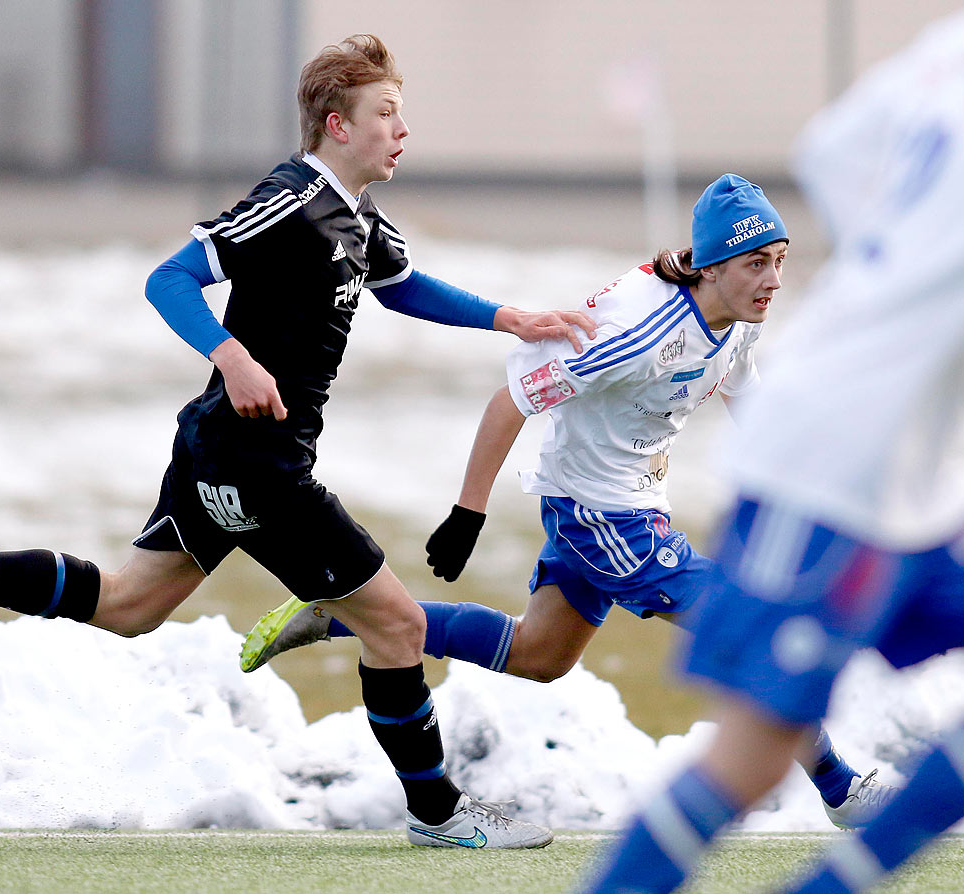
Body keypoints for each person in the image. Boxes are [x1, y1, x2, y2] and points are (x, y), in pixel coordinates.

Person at [0, 34, 596, 851]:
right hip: (260, 466)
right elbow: (169, 277)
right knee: (397, 628)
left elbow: (403, 287)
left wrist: (508, 317)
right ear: (336, 124)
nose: (403, 130)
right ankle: (439, 815)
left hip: (219, 457)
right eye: (387, 114)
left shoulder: (358, 217)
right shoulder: (290, 198)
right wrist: (233, 358)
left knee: (128, 607)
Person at [582, 1, 964, 891]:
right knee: (755, 755)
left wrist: (911, 269)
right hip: (833, 456)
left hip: (911, 467)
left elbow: (832, 149)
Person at [237, 174, 897, 829]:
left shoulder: (740, 319)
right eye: (757, 263)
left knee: (540, 655)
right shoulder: (633, 333)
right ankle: (842, 791)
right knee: (751, 625)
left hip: (636, 504)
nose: (774, 280)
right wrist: (469, 512)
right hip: (598, 516)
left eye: (779, 262)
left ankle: (340, 614)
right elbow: (511, 402)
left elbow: (752, 404)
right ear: (710, 265)